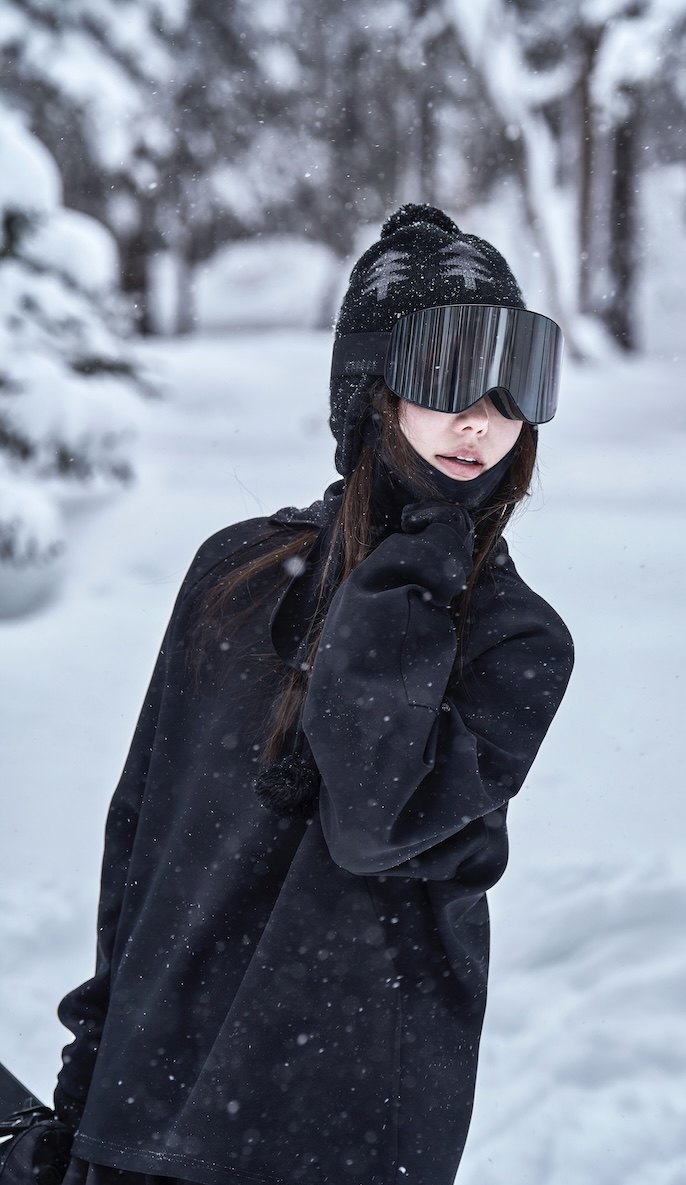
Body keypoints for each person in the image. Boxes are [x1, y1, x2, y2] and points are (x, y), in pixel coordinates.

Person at [52, 204, 574, 1185]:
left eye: (515, 383)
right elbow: (144, 840)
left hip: (339, 1131)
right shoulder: (237, 575)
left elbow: (378, 815)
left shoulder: (512, 639)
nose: (482, 418)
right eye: (448, 373)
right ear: (370, 390)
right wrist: (89, 1081)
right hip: (149, 1110)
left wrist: (418, 561)